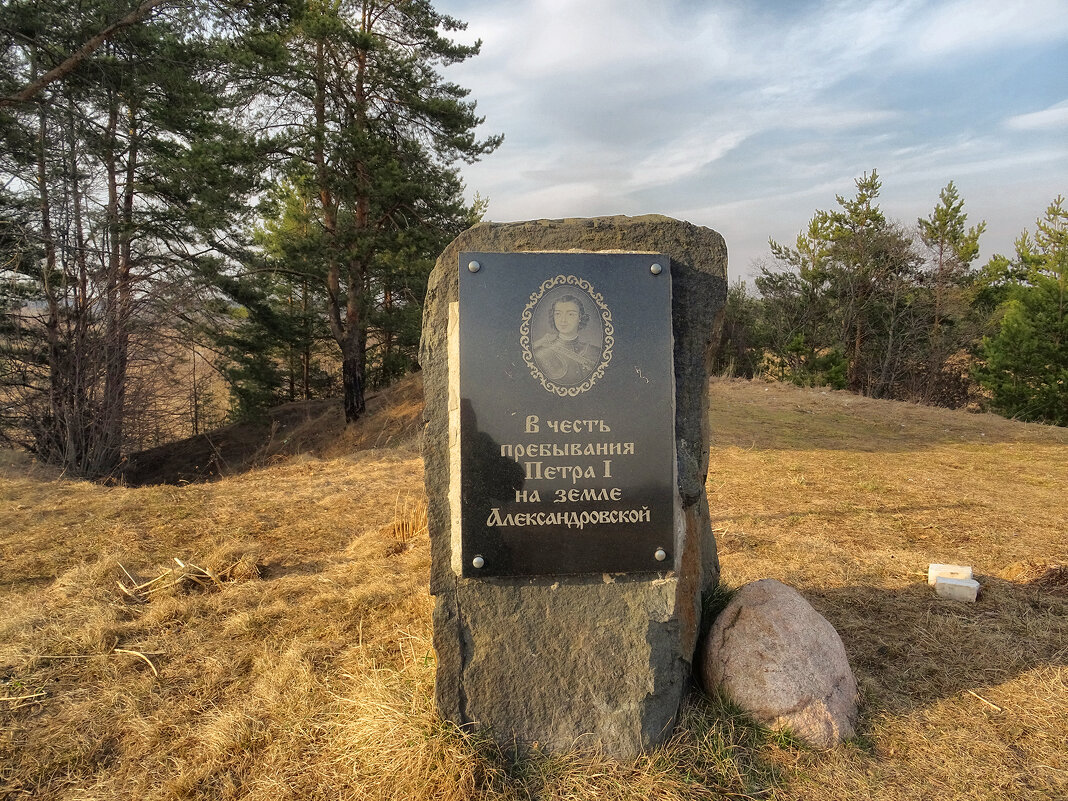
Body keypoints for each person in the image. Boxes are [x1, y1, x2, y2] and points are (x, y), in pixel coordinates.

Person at [532, 294, 600, 385]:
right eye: (558, 314)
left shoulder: (596, 352)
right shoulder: (540, 355)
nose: (563, 320)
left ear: (580, 317)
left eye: (571, 314)